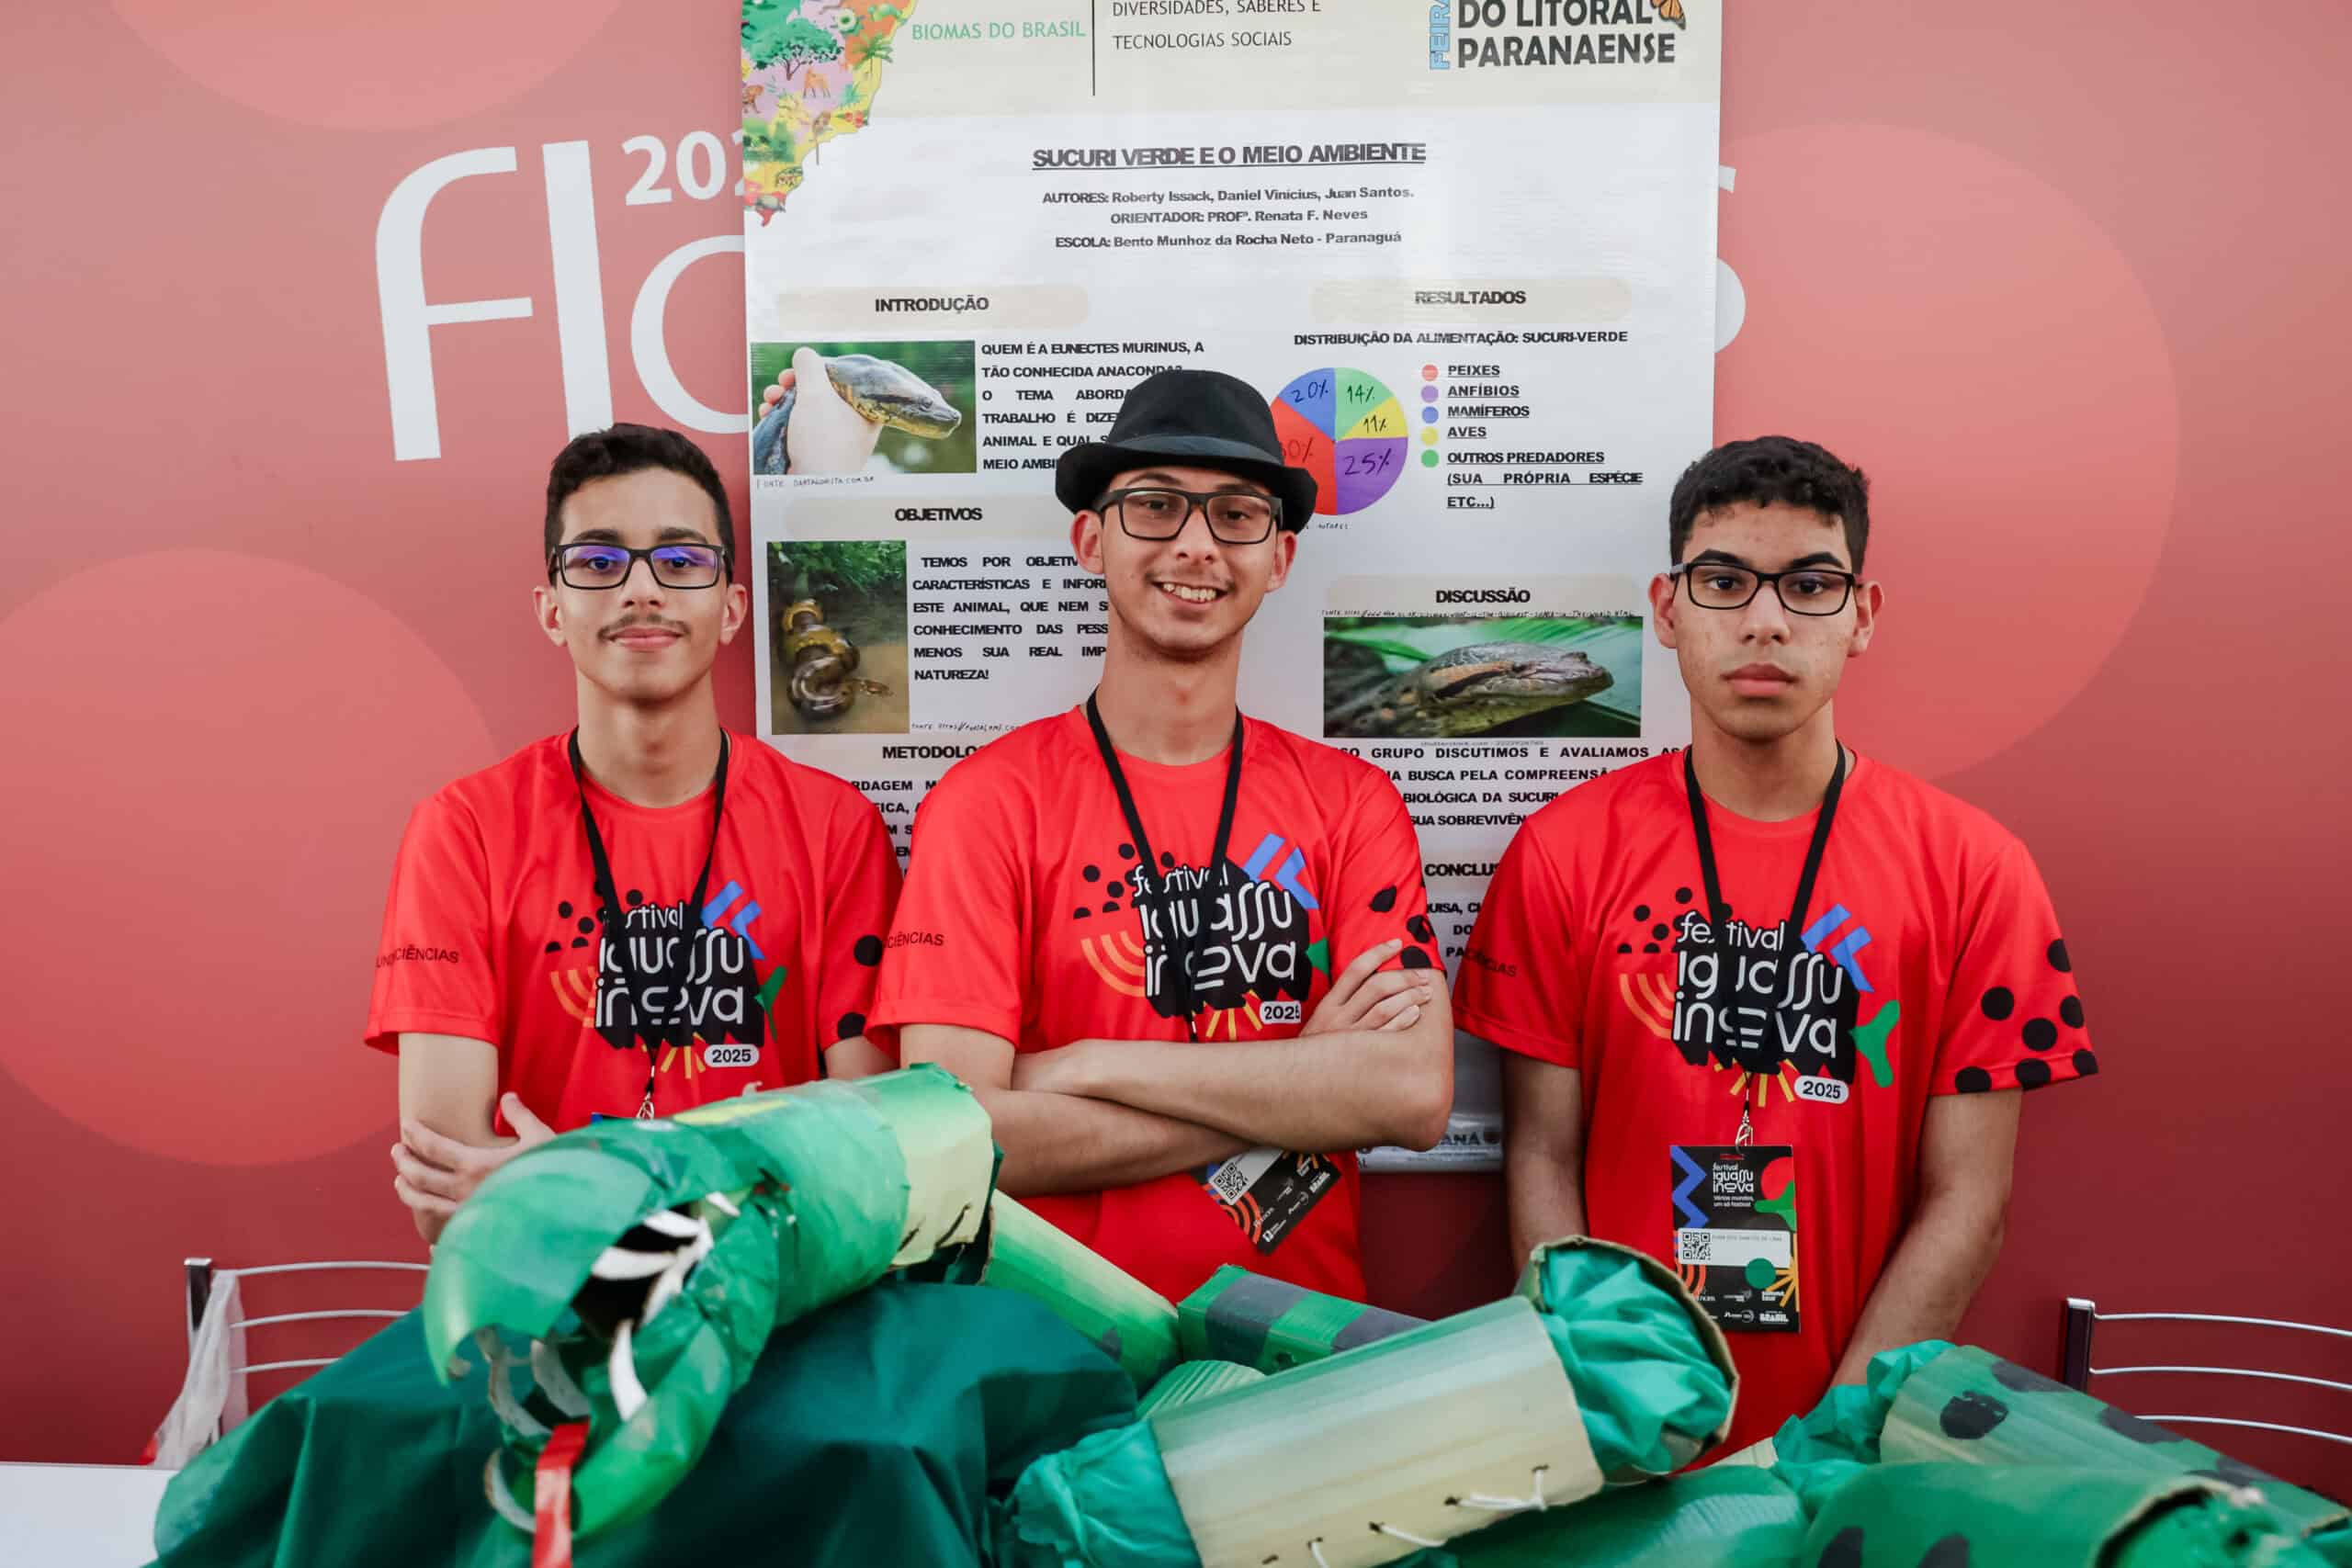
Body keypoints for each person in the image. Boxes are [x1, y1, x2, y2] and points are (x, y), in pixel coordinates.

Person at [1454, 436, 2098, 1455]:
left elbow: (1969, 1198)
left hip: (1846, 1441)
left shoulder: (1976, 868)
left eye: (1807, 584)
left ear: (1861, 615)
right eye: (1724, 582)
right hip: (1619, 1425)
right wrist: (1595, 1383)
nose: (1764, 620)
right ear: (1668, 612)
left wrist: (1834, 1441)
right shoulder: (1563, 852)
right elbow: (1541, 1153)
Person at [869, 369, 1453, 1303]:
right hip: (1055, 1347)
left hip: (1291, 1355)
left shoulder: (1351, 802)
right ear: (1089, 540)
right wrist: (1301, 1081)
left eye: (1235, 514)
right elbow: (962, 1136)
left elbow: (1412, 1098)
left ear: (1280, 558)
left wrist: (1087, 1067)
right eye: (1154, 506)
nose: (1195, 543)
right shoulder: (987, 803)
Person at [368, 423, 899, 1243]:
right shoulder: (464, 832)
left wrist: (570, 1180)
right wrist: (738, 1168)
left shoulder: (835, 828)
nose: (641, 590)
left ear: (731, 608)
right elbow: (449, 1196)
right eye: (598, 561)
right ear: (552, 608)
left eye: (681, 562)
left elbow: (868, 1158)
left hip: (784, 1321)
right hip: (550, 1318)